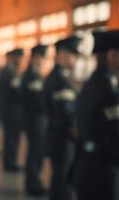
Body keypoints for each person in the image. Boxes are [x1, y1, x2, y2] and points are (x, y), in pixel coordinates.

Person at [73, 30, 119, 200]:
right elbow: (114, 137)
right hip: (102, 173)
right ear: (112, 56)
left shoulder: (94, 83)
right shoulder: (108, 91)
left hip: (88, 167)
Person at [43, 36, 81, 200]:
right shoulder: (59, 80)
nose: (76, 59)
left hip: (59, 136)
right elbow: (66, 115)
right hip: (63, 138)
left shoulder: (62, 77)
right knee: (62, 181)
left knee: (60, 179)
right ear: (62, 55)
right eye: (74, 55)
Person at [21, 44, 49, 196]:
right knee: (34, 153)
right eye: (42, 57)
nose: (43, 61)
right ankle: (32, 183)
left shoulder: (36, 74)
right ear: (37, 57)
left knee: (37, 153)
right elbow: (40, 100)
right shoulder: (32, 75)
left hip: (37, 121)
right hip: (35, 121)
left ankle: (34, 180)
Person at [0, 48, 24, 172]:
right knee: (11, 138)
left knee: (12, 138)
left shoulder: (11, 71)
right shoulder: (10, 72)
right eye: (19, 57)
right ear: (14, 58)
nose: (21, 60)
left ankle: (10, 161)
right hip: (11, 111)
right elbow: (17, 93)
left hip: (11, 111)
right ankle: (10, 163)